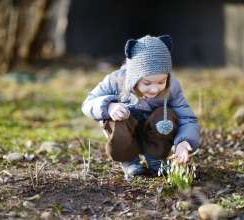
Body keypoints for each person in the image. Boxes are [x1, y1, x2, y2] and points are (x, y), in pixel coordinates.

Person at [81, 35, 200, 178]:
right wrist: (109, 107)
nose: (155, 89)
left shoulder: (172, 86)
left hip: (155, 134)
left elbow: (186, 117)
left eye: (161, 82)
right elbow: (88, 104)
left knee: (167, 115)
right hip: (126, 132)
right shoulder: (116, 81)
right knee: (117, 118)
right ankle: (130, 162)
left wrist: (184, 141)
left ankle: (156, 159)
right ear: (134, 77)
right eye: (147, 83)